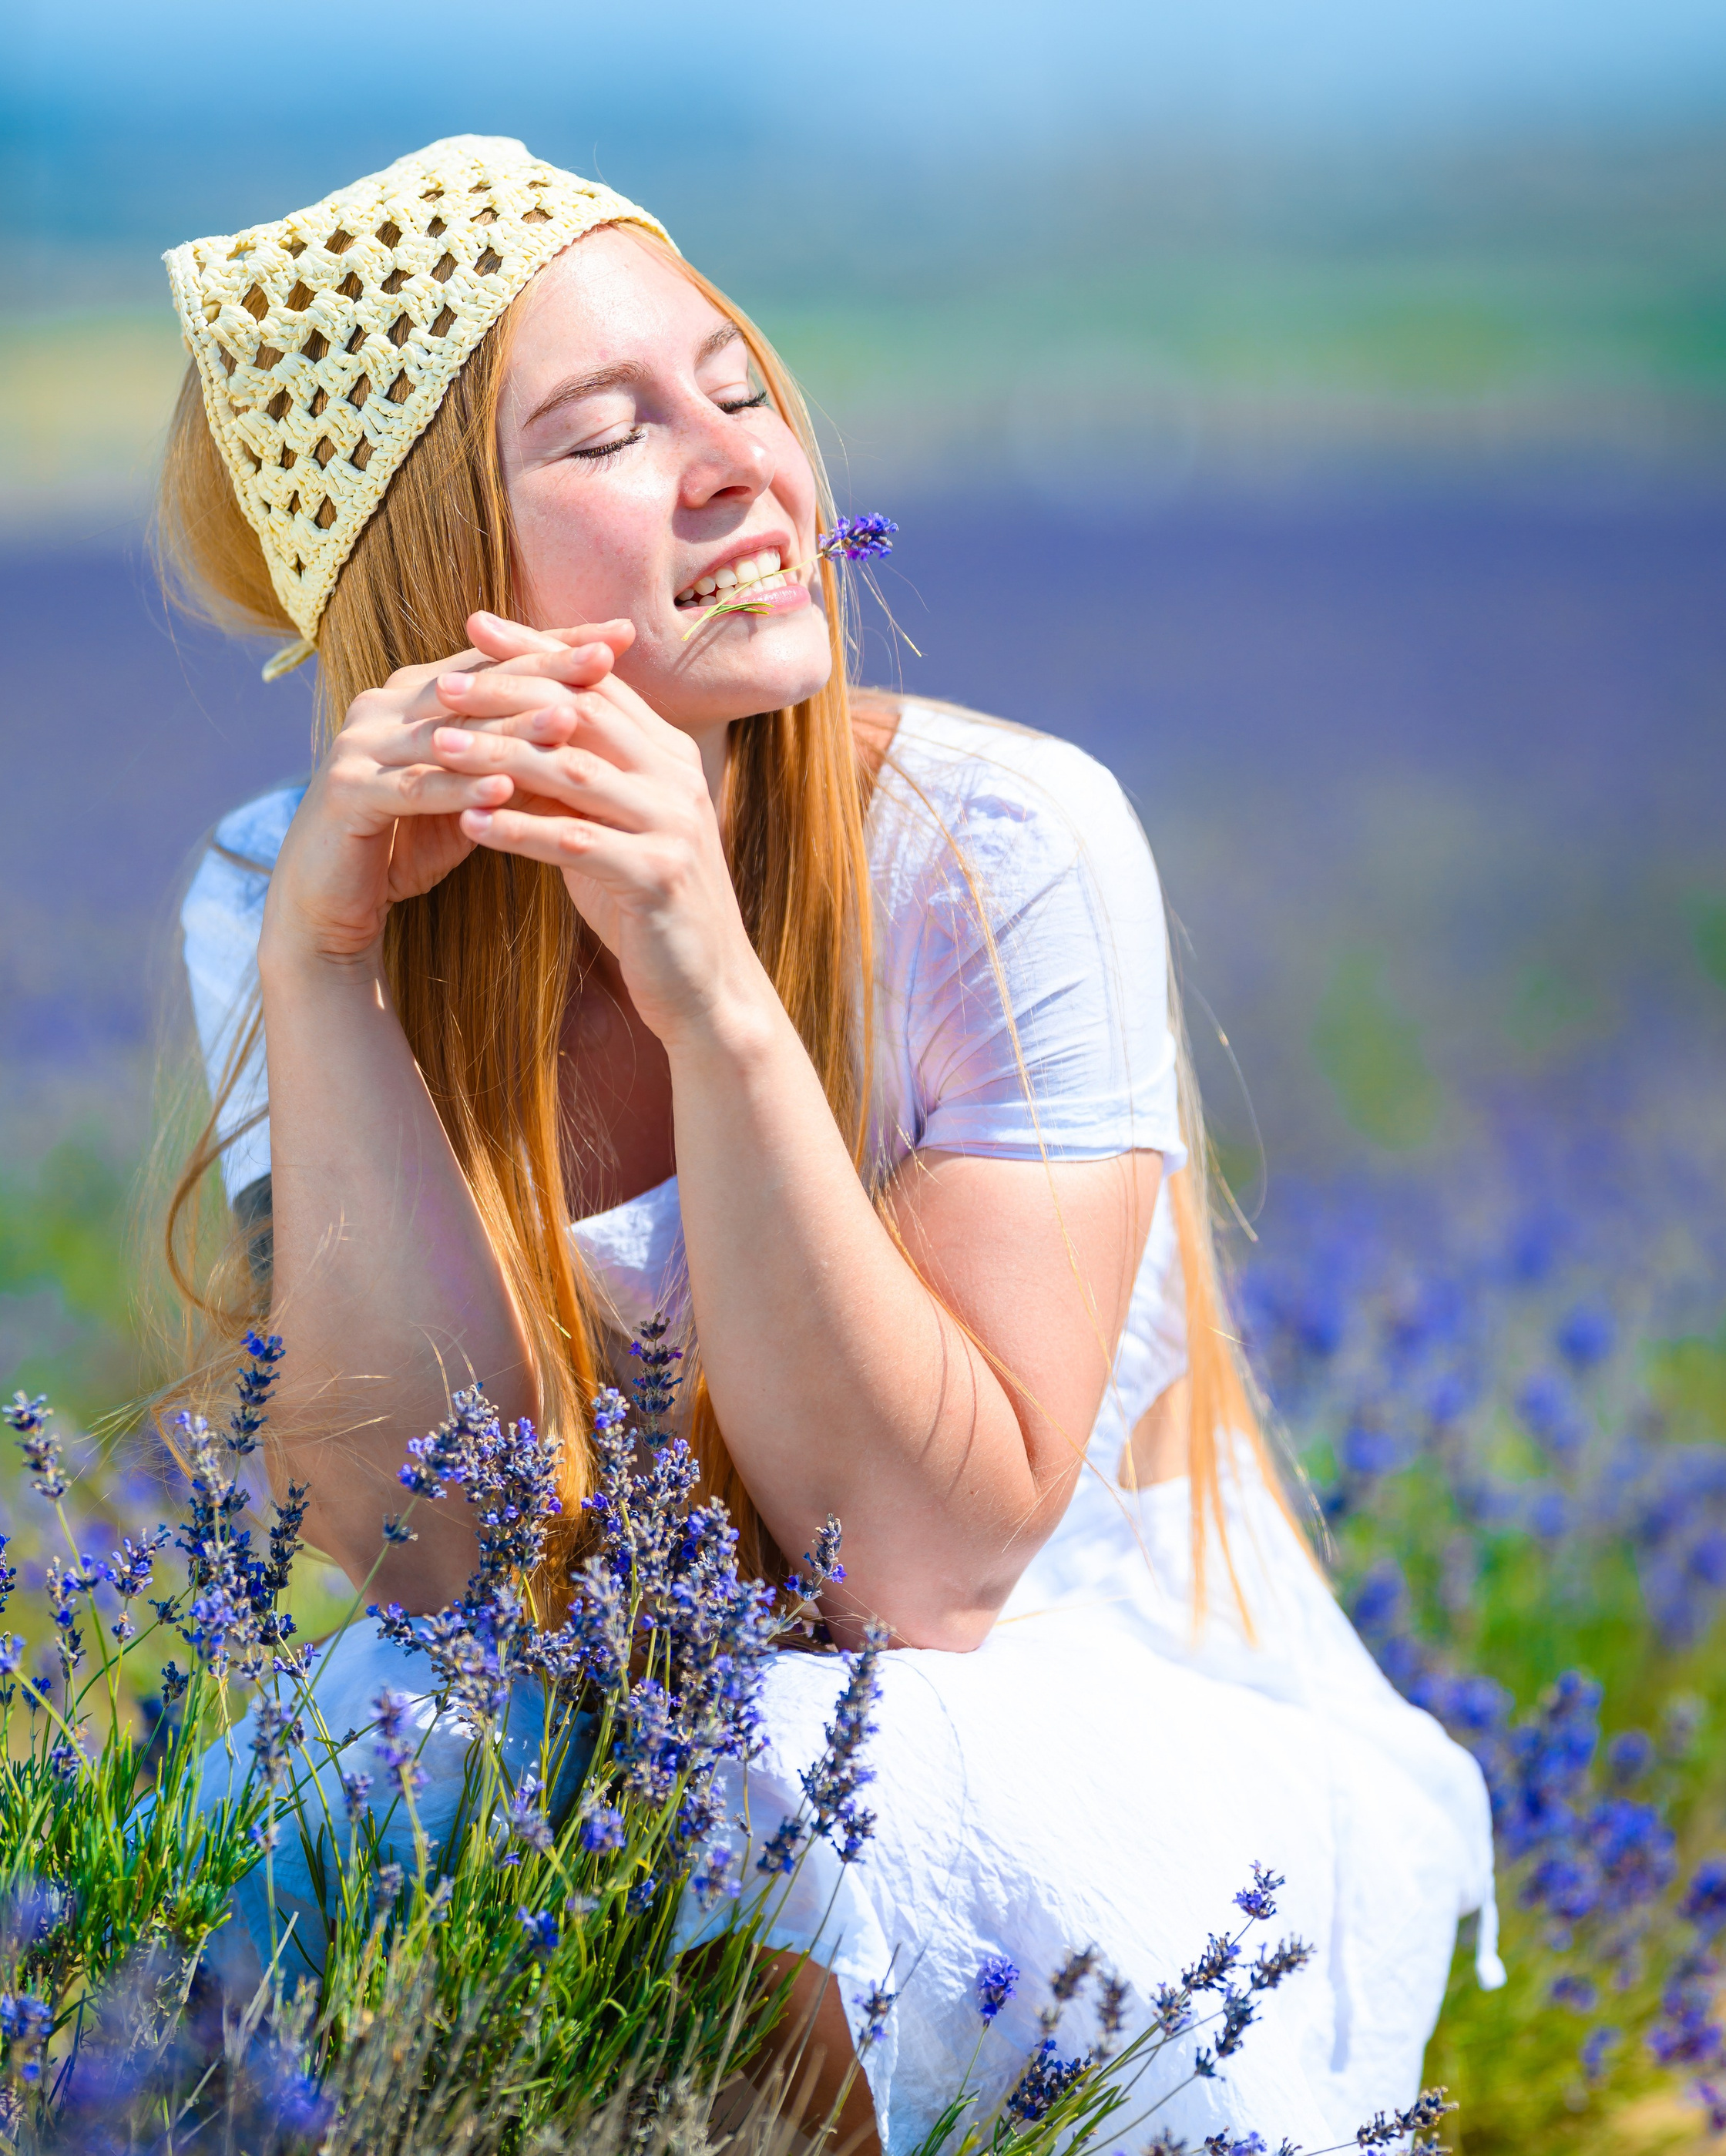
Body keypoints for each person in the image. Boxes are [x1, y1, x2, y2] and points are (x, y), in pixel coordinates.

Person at [160, 135, 1497, 2150]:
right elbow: (436, 1552)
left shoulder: (1000, 846)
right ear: (439, 576)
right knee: (308, 1824)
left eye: (737, 384)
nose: (736, 464)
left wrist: (705, 983)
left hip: (1030, 1707)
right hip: (576, 1703)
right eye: (609, 432)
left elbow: (925, 1571)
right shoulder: (276, 890)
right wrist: (330, 973)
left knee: (797, 1779)